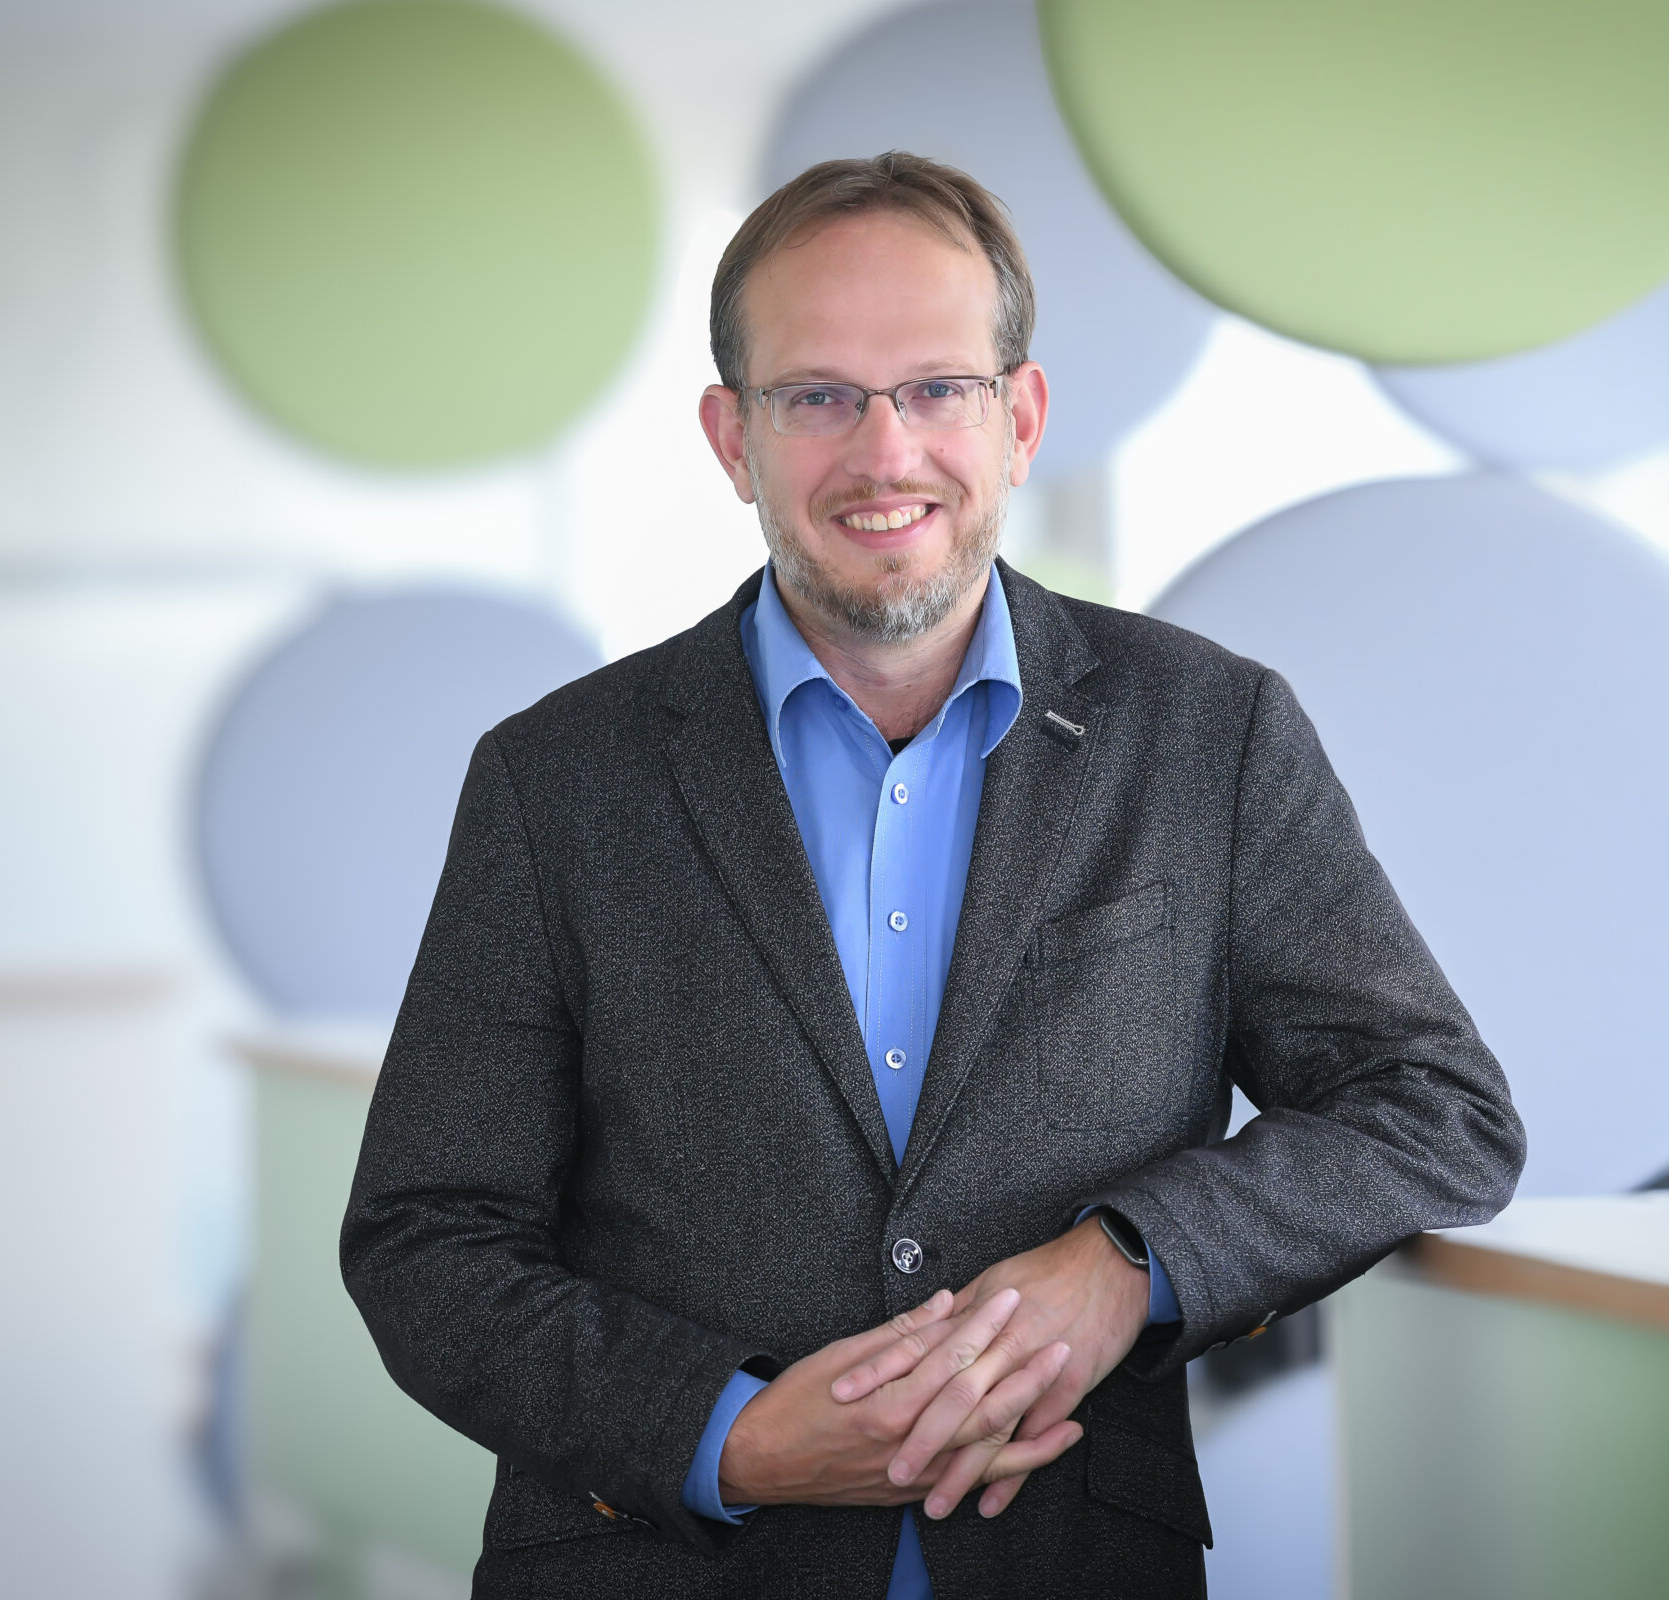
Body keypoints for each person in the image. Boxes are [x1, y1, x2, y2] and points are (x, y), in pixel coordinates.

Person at [342, 152, 1524, 1600]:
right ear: (732, 438)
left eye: (938, 389)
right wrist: (731, 1438)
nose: (885, 451)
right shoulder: (557, 778)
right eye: (817, 396)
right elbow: (426, 1237)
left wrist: (1128, 1261)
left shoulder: (1209, 733)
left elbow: (1433, 1108)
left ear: (1020, 418)